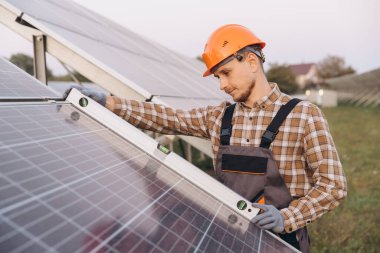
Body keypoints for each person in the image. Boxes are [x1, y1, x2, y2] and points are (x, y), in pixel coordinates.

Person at [64, 24, 347, 252]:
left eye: (225, 73)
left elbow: (333, 186)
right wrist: (110, 103)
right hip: (227, 238)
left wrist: (287, 218)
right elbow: (167, 117)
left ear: (250, 61)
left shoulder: (304, 116)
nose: (222, 85)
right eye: (217, 77)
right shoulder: (219, 118)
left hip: (280, 242)